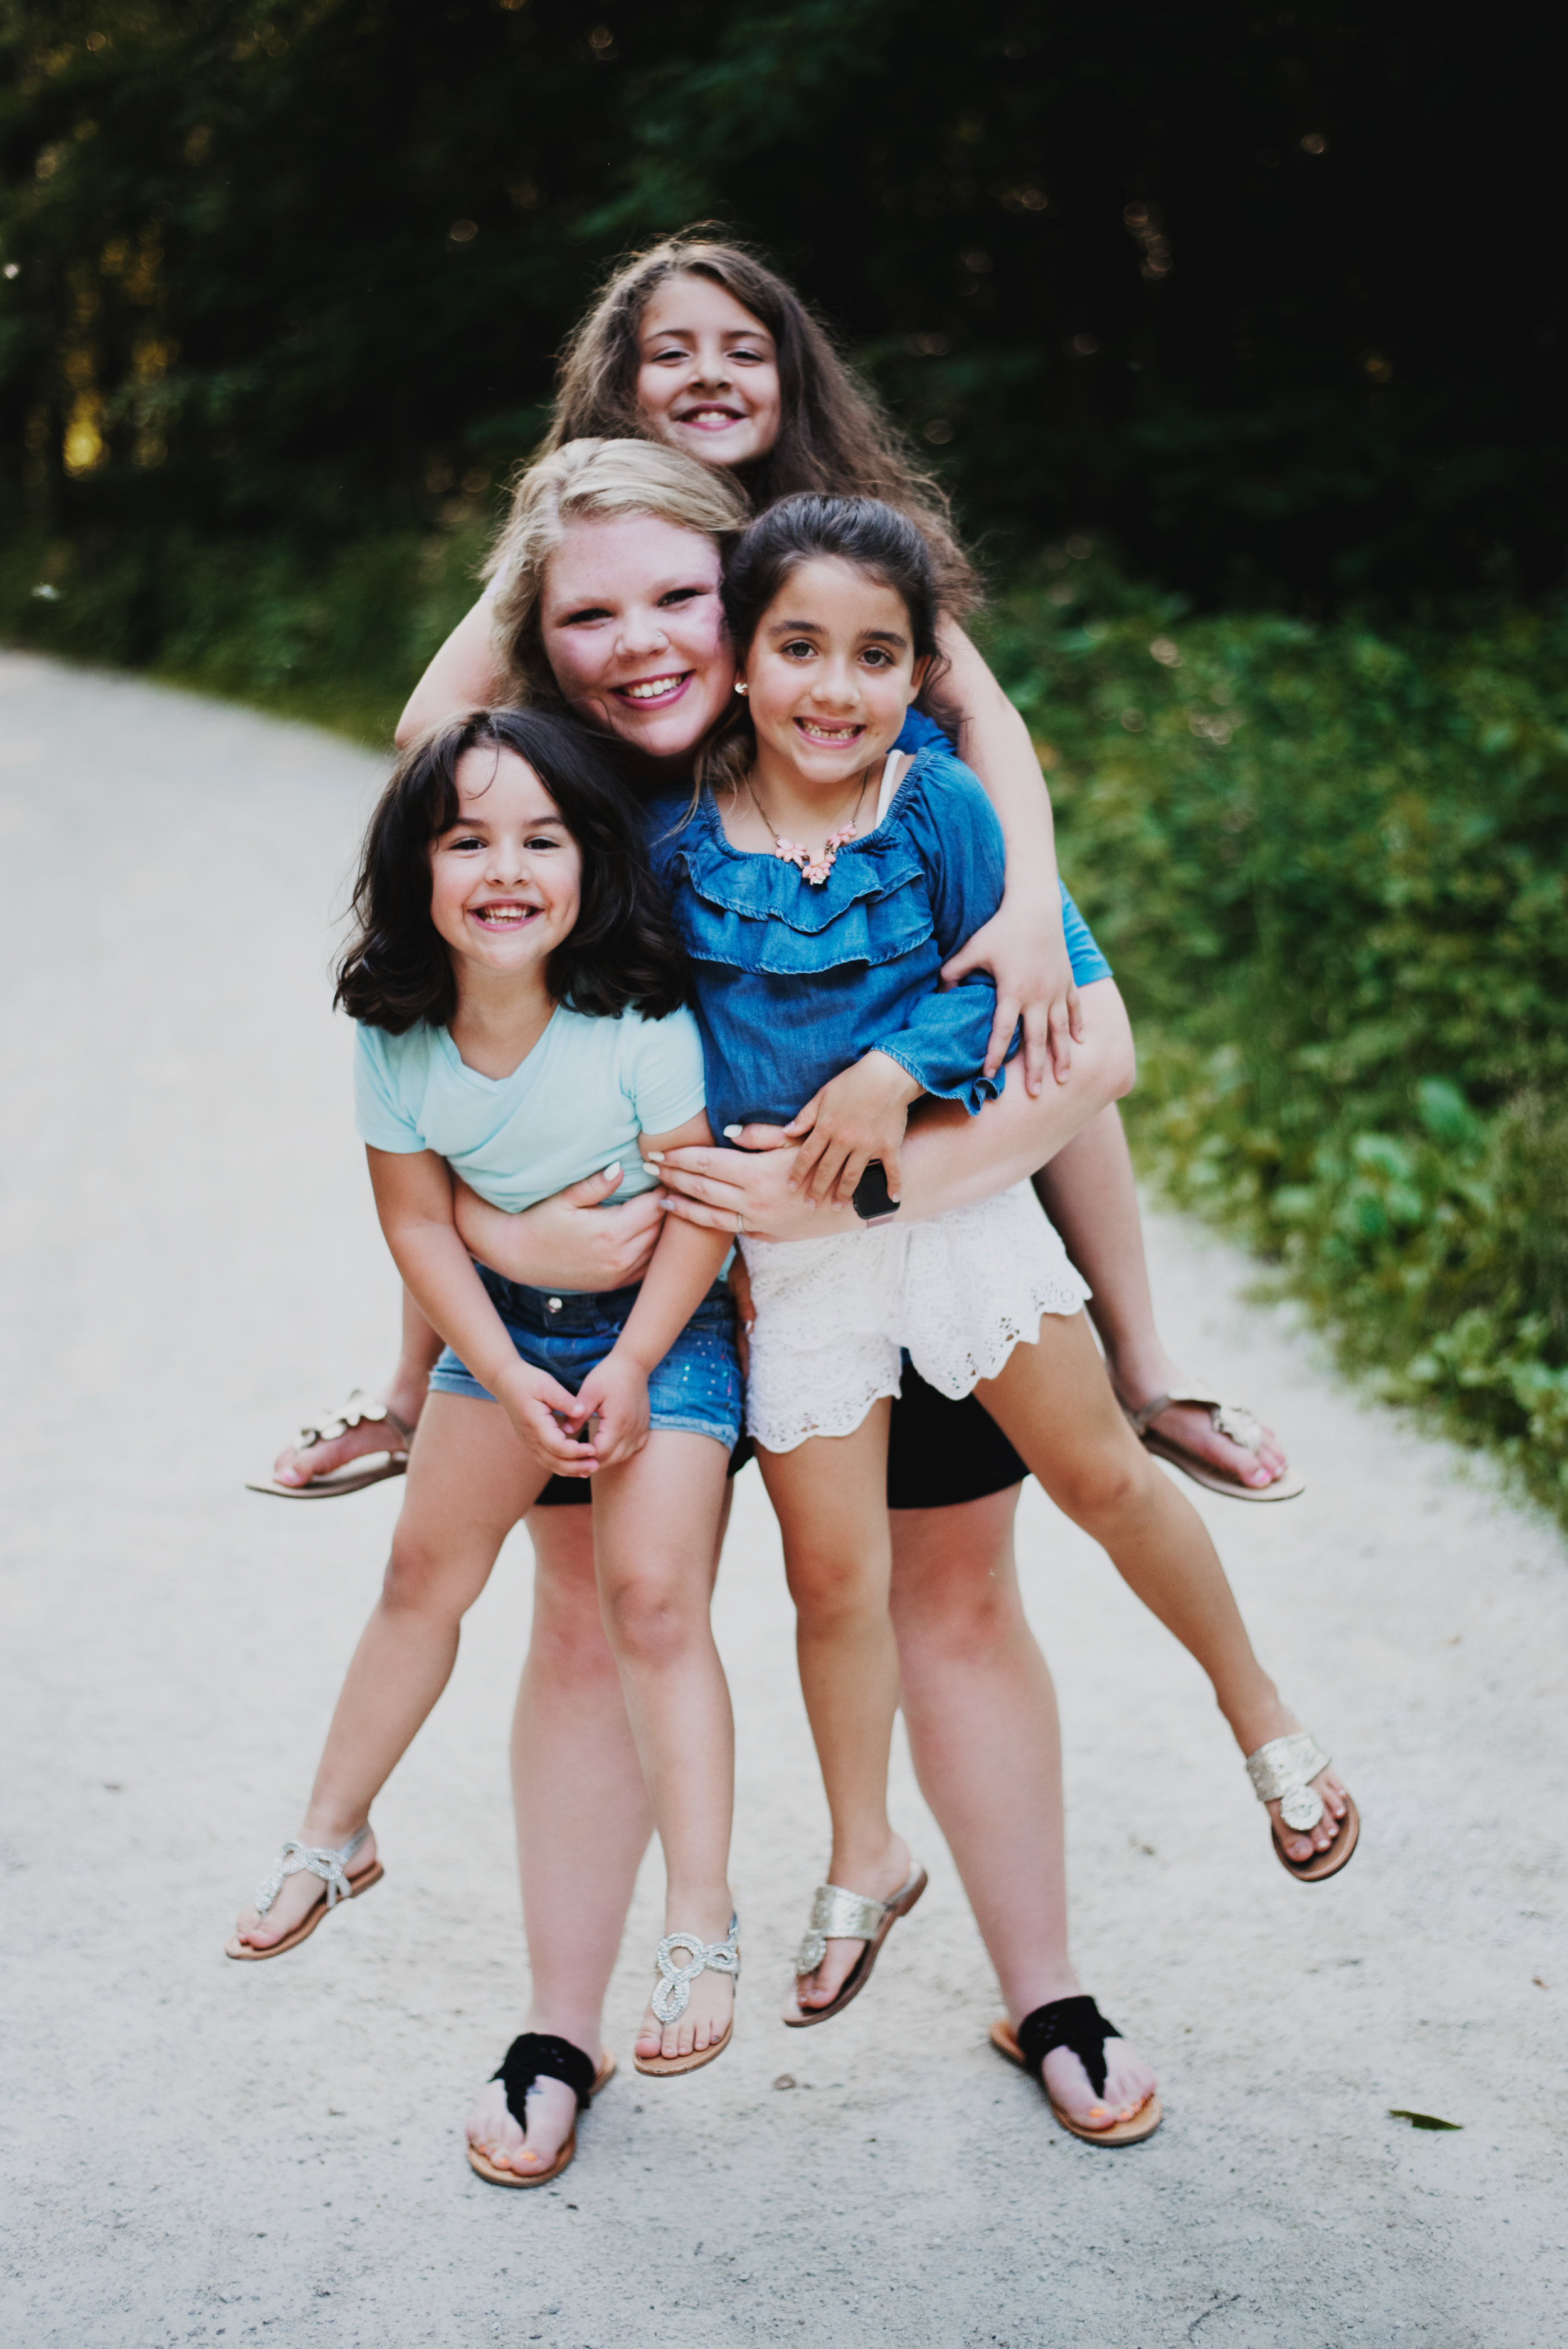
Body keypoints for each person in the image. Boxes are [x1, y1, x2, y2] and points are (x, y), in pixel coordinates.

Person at [419, 441, 1353, 2179]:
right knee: (600, 1621)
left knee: (960, 1588)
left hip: (905, 1238)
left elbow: (1086, 1038)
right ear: (541, 633)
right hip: (658, 1304)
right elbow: (454, 1002)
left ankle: (1048, 1989)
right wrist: (478, 1224)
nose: (642, 643)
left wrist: (864, 1161)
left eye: (680, 600)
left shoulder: (930, 790)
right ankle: (565, 2024)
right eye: (587, 610)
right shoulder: (583, 806)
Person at [278, 233, 1295, 1513]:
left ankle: (1142, 1373)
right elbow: (431, 729)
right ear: (614, 385)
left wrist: (1031, 894)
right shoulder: (590, 535)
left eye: (742, 349)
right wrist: (568, 556)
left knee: (1027, 1002)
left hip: (844, 849)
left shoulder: (839, 559)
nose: (708, 376)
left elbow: (983, 713)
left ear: (793, 376)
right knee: (505, 1018)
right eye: (670, 354)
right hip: (668, 845)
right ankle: (413, 1386)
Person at [229, 707, 753, 2129]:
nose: (506, 868)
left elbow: (699, 1217)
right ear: (415, 871)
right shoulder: (399, 1035)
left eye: (543, 837)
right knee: (421, 1571)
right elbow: (414, 1226)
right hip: (495, 1342)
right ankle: (332, 1833)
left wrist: (636, 1361)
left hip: (667, 1335)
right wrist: (499, 1376)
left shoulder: (637, 1020)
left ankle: (698, 1920)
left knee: (649, 1603)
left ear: (592, 860)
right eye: (467, 840)